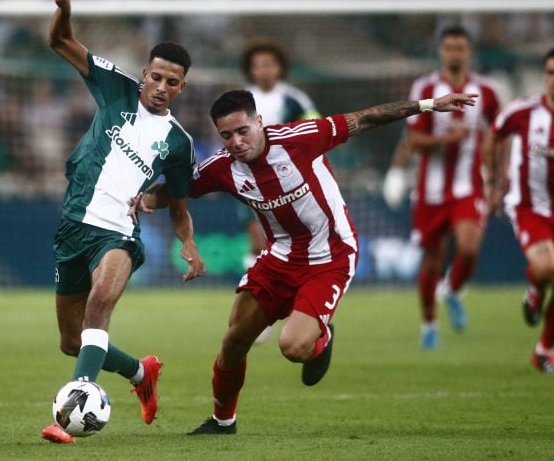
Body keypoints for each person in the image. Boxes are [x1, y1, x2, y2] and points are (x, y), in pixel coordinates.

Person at [132, 88, 477, 434]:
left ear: (259, 122)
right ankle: (223, 422)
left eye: (242, 131)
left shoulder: (303, 137)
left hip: (332, 254)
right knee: (234, 340)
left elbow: (366, 118)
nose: (236, 142)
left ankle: (321, 339)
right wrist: (142, 198)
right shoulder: (222, 167)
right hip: (280, 256)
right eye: (226, 135)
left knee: (293, 347)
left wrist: (429, 105)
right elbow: (176, 190)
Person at [38, 0, 206, 444]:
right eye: (156, 77)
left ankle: (74, 406)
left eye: (172, 82)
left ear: (182, 88)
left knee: (99, 305)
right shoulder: (115, 86)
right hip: (73, 227)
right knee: (72, 340)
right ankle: (140, 372)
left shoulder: (178, 143)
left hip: (118, 234)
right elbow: (59, 42)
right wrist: (64, 10)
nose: (161, 87)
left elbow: (178, 204)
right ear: (145, 73)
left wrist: (189, 244)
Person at [406, 25, 501, 349]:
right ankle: (429, 324)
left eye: (460, 47)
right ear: (440, 51)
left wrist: (497, 179)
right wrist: (449, 138)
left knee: (469, 248)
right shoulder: (425, 87)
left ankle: (452, 290)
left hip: (468, 186)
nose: (455, 53)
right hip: (430, 191)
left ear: (469, 51)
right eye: (449, 48)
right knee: (432, 260)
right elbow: (414, 140)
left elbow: (499, 134)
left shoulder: (486, 91)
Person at [240, 40, 321, 344]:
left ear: (280, 68)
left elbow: (316, 128)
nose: (264, 70)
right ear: (250, 69)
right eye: (258, 65)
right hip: (250, 182)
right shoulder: (242, 99)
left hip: (289, 184)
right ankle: (261, 312)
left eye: (269, 64)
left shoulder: (295, 99)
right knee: (257, 242)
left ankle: (297, 306)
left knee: (288, 246)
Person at [484, 47, 554, 373]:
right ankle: (535, 290)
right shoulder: (524, 111)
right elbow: (493, 137)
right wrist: (493, 183)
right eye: (551, 72)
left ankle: (543, 351)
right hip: (529, 207)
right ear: (544, 76)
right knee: (545, 267)